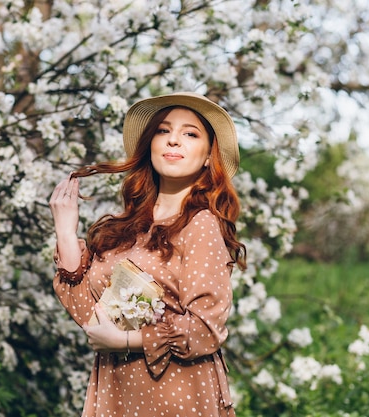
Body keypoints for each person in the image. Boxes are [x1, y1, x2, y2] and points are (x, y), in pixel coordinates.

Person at [49, 92, 246, 417]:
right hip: (118, 391)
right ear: (150, 144)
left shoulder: (201, 224)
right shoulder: (125, 230)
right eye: (163, 131)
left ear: (209, 156)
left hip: (176, 393)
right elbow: (90, 317)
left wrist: (125, 342)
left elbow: (205, 328)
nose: (173, 141)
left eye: (190, 134)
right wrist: (66, 232)